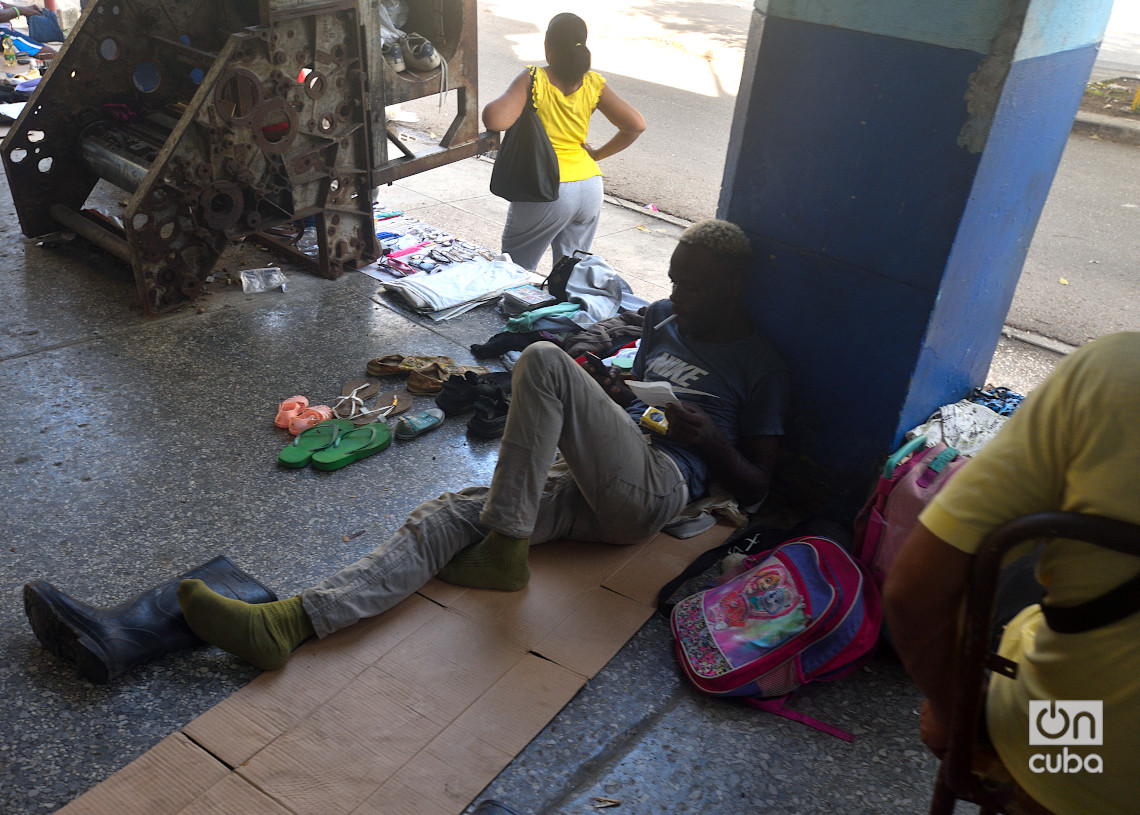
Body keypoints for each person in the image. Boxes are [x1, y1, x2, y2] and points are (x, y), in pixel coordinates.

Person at [173, 219, 790, 673]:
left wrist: (707, 436)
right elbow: (632, 385)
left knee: (543, 357)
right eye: (676, 282)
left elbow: (757, 488)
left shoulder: (762, 366)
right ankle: (289, 623)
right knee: (446, 514)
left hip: (659, 485)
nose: (679, 298)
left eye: (697, 289)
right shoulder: (663, 318)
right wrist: (612, 388)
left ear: (733, 287)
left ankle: (507, 547)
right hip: (600, 471)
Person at [883, 332, 1140, 815]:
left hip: (1082, 751)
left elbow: (913, 593)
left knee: (1018, 570)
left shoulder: (1114, 372)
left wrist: (953, 710)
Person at [482, 12, 645, 272]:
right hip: (589, 186)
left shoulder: (535, 78)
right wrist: (597, 154)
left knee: (515, 270)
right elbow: (635, 125)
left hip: (543, 186)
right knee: (571, 274)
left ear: (548, 48)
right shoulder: (593, 83)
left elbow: (495, 120)